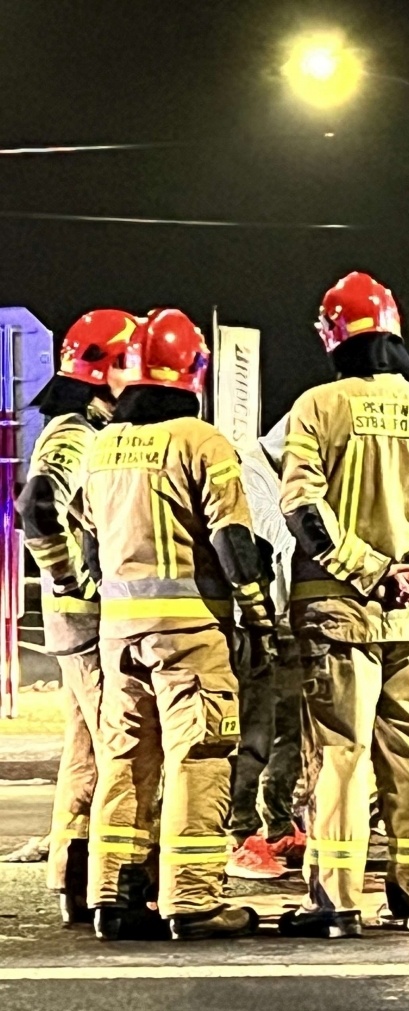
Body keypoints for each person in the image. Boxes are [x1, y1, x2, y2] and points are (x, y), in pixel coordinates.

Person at [278, 271, 409, 939]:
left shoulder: (317, 407)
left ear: (331, 336)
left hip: (339, 617)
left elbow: (301, 507)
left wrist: (367, 571)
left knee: (339, 752)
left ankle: (335, 902)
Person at [80, 309, 275, 941]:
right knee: (200, 756)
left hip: (119, 637)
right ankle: (191, 901)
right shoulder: (201, 441)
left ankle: (112, 895)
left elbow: (87, 549)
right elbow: (232, 537)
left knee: (125, 760)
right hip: (191, 633)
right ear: (194, 371)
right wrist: (259, 609)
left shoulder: (102, 446)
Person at [19, 309, 136, 924]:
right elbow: (37, 506)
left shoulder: (83, 426)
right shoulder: (77, 431)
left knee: (88, 750)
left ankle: (75, 879)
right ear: (108, 369)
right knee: (119, 749)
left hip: (77, 620)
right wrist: (71, 577)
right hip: (88, 620)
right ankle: (112, 886)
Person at [225, 445, 304, 880]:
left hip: (289, 618)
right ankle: (242, 835)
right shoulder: (247, 472)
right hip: (256, 622)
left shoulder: (294, 473)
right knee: (253, 732)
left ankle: (278, 823)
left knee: (287, 729)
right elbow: (276, 540)